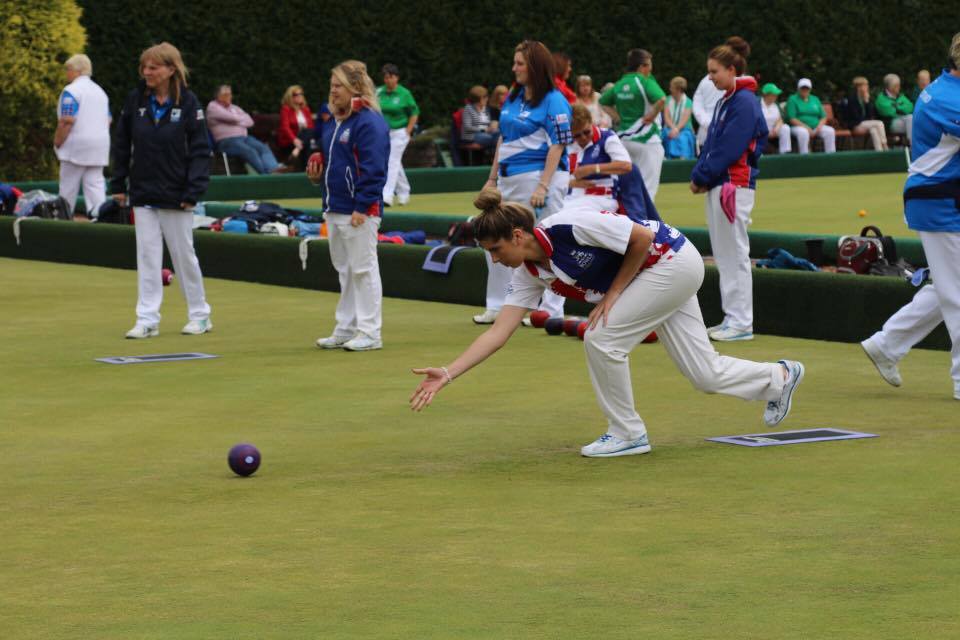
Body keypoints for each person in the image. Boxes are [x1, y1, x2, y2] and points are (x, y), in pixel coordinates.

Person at [409, 188, 805, 458]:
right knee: (705, 374)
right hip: (653, 277)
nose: (495, 259)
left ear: (516, 235)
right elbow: (499, 332)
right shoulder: (529, 273)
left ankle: (627, 433)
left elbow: (641, 239)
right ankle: (779, 378)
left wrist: (613, 294)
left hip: (671, 260)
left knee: (600, 338)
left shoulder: (568, 225)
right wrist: (448, 372)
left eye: (496, 249)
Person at [861, 34, 960, 402]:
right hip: (939, 203)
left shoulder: (944, 89)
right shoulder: (948, 97)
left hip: (944, 200)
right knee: (956, 292)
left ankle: (887, 344)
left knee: (948, 286)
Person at [111, 42, 213, 339]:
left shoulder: (189, 103)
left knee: (183, 255)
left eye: (153, 67)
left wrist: (193, 191)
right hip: (142, 190)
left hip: (177, 193)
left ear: (171, 69)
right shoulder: (135, 100)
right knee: (147, 255)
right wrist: (118, 183)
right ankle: (147, 319)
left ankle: (200, 315)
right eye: (144, 67)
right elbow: (122, 143)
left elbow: (200, 150)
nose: (146, 72)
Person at [472, 40, 572, 325]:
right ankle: (498, 304)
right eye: (514, 62)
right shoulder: (513, 97)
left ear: (535, 67)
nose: (514, 68)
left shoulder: (554, 99)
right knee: (495, 236)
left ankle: (550, 309)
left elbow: (558, 144)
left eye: (519, 63)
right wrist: (492, 179)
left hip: (538, 179)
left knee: (546, 240)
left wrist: (543, 185)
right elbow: (503, 139)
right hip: (508, 178)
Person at [307, 60, 389, 352]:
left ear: (355, 87)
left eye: (338, 86)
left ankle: (370, 332)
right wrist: (317, 178)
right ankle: (346, 328)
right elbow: (336, 164)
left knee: (363, 269)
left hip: (359, 210)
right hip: (335, 206)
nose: (333, 91)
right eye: (332, 86)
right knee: (345, 269)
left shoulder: (368, 122)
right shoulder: (334, 121)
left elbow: (375, 169)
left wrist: (362, 206)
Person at [690, 37, 768, 342]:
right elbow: (712, 143)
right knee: (724, 254)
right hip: (722, 184)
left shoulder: (744, 102)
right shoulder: (729, 99)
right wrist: (701, 175)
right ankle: (732, 318)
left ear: (732, 69)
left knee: (734, 253)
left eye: (714, 71)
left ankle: (741, 323)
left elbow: (730, 148)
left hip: (733, 185)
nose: (710, 77)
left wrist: (701, 176)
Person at [600, 48, 666, 200]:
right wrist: (651, 115)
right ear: (642, 66)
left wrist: (617, 118)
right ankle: (643, 215)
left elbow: (603, 101)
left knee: (627, 186)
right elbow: (662, 99)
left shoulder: (620, 83)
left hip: (623, 140)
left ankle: (627, 214)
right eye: (649, 65)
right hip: (647, 140)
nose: (650, 69)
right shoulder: (644, 81)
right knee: (648, 188)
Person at [54, 54, 110, 220]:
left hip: (76, 146)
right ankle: (101, 220)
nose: (67, 73)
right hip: (99, 146)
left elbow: (67, 120)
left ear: (77, 70)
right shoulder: (101, 92)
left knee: (68, 187)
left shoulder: (71, 91)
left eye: (68, 69)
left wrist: (57, 141)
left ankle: (63, 220)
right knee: (96, 186)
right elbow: (109, 119)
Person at [566, 104, 632, 214]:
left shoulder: (606, 137)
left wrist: (592, 169)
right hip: (570, 197)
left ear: (591, 122)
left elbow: (626, 165)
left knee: (566, 213)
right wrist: (571, 183)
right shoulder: (566, 145)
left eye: (586, 132)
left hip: (601, 197)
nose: (583, 137)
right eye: (577, 135)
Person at [206, 85, 283, 174]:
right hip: (226, 141)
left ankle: (274, 170)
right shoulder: (212, 107)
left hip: (244, 138)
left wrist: (236, 120)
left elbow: (250, 121)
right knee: (250, 151)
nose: (229, 96)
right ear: (218, 96)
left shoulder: (234, 107)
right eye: (226, 94)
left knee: (263, 148)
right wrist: (239, 119)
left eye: (230, 94)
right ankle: (266, 175)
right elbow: (232, 118)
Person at [377, 64, 419, 206]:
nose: (388, 80)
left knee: (392, 161)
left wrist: (408, 130)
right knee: (395, 162)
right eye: (386, 77)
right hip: (383, 133)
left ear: (397, 78)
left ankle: (386, 195)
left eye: (391, 77)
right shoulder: (378, 92)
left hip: (400, 132)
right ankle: (404, 191)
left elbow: (414, 112)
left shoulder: (404, 93)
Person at [785, 78, 836, 154]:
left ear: (810, 89)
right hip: (798, 127)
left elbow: (823, 116)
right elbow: (792, 119)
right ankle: (804, 156)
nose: (805, 90)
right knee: (803, 132)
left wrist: (819, 127)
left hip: (816, 127)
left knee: (830, 131)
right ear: (798, 89)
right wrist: (806, 127)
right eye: (802, 88)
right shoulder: (792, 99)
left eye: (807, 88)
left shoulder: (815, 99)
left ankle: (830, 156)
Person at [840, 77, 888, 151]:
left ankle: (880, 152)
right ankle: (885, 145)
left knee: (873, 130)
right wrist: (867, 120)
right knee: (879, 123)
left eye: (867, 85)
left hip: (864, 125)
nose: (867, 87)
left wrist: (867, 102)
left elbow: (870, 115)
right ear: (859, 87)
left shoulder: (865, 98)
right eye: (865, 85)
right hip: (855, 126)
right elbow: (857, 117)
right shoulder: (852, 99)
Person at [277, 84, 315, 164]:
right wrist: (294, 139)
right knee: (307, 142)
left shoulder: (306, 109)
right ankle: (307, 167)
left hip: (303, 138)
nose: (300, 96)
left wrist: (305, 127)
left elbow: (311, 126)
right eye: (296, 94)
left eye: (301, 94)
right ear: (290, 97)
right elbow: (285, 127)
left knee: (309, 132)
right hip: (290, 139)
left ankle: (297, 150)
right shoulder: (286, 109)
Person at [662, 76, 696, 159]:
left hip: (684, 129)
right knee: (667, 135)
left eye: (672, 87)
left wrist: (676, 130)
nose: (670, 89)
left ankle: (683, 159)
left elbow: (684, 120)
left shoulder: (688, 102)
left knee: (683, 138)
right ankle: (669, 159)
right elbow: (667, 118)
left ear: (679, 89)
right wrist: (674, 129)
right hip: (669, 127)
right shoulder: (667, 100)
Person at [876, 73, 914, 146]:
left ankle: (911, 143)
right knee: (911, 120)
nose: (899, 87)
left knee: (911, 118)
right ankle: (912, 145)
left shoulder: (901, 96)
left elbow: (910, 107)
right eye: (896, 86)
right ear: (890, 87)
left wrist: (897, 108)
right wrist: (901, 108)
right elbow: (887, 111)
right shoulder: (881, 98)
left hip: (904, 121)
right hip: (890, 123)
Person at [692, 67, 725, 148]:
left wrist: (707, 123)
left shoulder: (704, 81)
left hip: (709, 131)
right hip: (708, 133)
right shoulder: (705, 82)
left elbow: (697, 106)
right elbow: (697, 105)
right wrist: (709, 124)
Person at [461, 85, 498, 150]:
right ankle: (494, 154)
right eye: (484, 97)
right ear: (477, 99)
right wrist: (483, 130)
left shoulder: (486, 109)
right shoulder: (468, 109)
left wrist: (493, 124)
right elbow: (468, 127)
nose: (487, 99)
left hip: (487, 133)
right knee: (492, 139)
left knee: (500, 133)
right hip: (473, 135)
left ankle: (494, 153)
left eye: (486, 97)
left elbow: (488, 123)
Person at [760, 83, 791, 154]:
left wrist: (777, 128)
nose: (776, 96)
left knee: (785, 128)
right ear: (766, 95)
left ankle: (784, 153)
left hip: (774, 130)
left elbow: (781, 118)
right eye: (774, 94)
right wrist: (765, 132)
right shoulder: (757, 104)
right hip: (761, 131)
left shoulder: (776, 105)